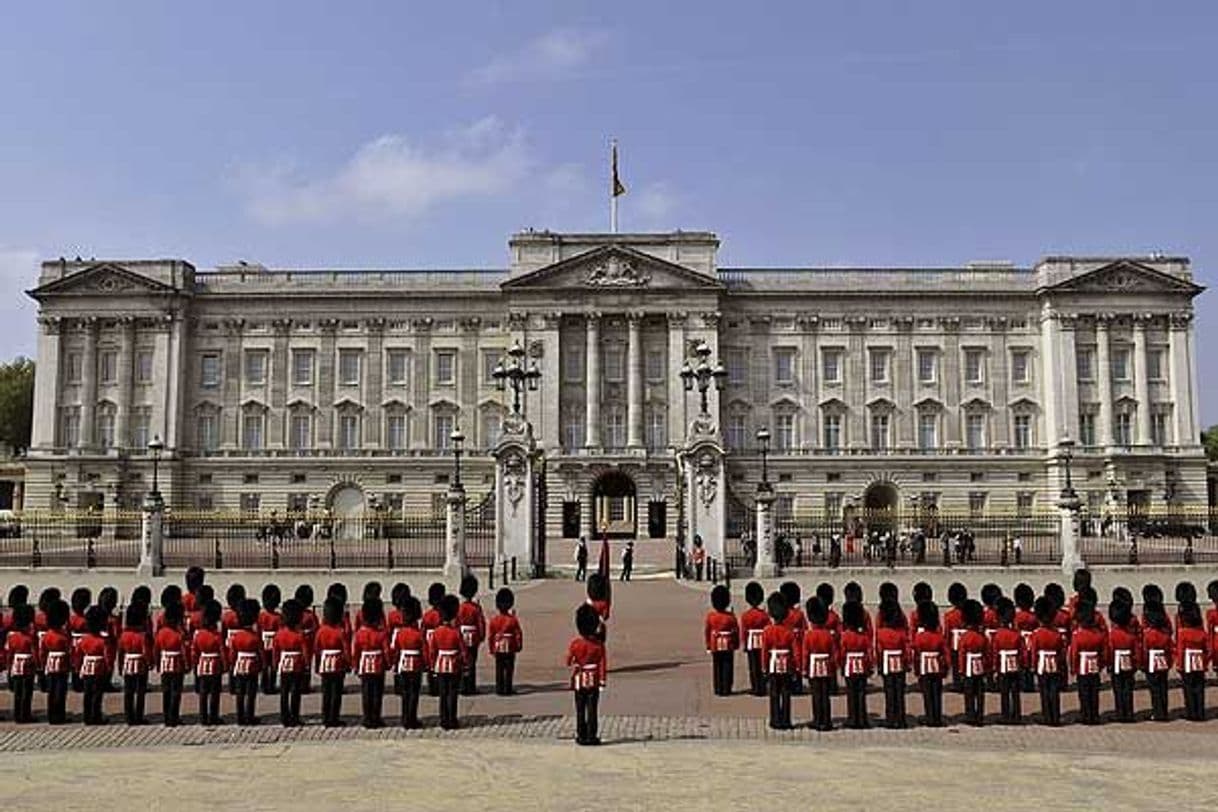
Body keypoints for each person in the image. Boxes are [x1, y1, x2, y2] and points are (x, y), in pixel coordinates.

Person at [568, 603, 608, 745]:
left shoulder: (576, 644)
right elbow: (602, 664)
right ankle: (592, 735)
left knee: (580, 709)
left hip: (580, 679)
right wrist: (602, 680)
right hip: (593, 679)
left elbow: (568, 661)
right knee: (592, 709)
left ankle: (581, 735)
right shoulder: (598, 646)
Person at [429, 594, 467, 731]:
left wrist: (432, 666)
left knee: (443, 694)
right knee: (452, 694)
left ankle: (443, 719)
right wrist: (465, 663)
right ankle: (452, 719)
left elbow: (433, 651)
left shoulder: (437, 632)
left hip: (440, 664)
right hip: (454, 664)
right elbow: (462, 650)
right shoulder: (456, 633)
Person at [760, 592, 796, 731]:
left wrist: (764, 667)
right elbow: (794, 652)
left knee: (774, 692)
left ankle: (775, 720)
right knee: (786, 692)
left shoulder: (768, 631)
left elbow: (765, 651)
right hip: (786, 663)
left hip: (773, 663)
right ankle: (786, 720)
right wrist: (794, 667)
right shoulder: (789, 632)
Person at [352, 597, 389, 729]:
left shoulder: (360, 634)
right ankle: (376, 717)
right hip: (378, 664)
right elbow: (385, 650)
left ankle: (367, 717)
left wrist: (355, 666)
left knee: (366, 692)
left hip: (364, 664)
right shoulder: (381, 634)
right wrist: (388, 663)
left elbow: (356, 651)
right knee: (377, 693)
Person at [911, 600, 949, 727]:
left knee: (927, 693)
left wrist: (916, 669)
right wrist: (945, 668)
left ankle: (929, 716)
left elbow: (916, 655)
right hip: (937, 666)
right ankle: (937, 717)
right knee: (937, 692)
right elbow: (945, 653)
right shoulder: (939, 636)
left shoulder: (919, 637)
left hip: (924, 666)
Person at [272, 598, 309, 727]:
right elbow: (304, 652)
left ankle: (284, 716)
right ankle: (294, 716)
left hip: (284, 664)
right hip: (297, 664)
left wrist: (275, 664)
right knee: (295, 692)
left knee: (284, 691)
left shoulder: (279, 634)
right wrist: (306, 664)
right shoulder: (300, 635)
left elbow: (275, 652)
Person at [391, 596, 427, 728]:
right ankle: (411, 719)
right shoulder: (418, 634)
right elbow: (424, 651)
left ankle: (405, 717)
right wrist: (426, 664)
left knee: (405, 693)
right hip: (416, 664)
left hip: (403, 664)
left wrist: (395, 665)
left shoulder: (401, 633)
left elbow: (396, 650)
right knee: (414, 693)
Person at [316, 597, 350, 728]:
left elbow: (317, 649)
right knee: (336, 693)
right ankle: (334, 717)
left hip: (325, 663)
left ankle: (325, 717)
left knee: (326, 692)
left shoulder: (321, 631)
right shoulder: (340, 632)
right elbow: (346, 650)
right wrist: (348, 663)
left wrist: (318, 665)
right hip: (338, 664)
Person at [228, 598, 264, 726]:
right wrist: (262, 665)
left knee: (240, 692)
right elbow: (260, 653)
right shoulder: (255, 636)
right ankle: (249, 716)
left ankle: (240, 716)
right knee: (251, 693)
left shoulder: (237, 636)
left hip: (239, 665)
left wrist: (232, 665)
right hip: (252, 666)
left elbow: (233, 653)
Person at [803, 597, 837, 731]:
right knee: (825, 694)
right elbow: (833, 653)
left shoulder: (809, 635)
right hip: (826, 665)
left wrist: (805, 670)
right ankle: (826, 720)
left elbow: (806, 654)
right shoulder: (828, 635)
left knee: (816, 694)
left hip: (813, 666)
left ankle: (818, 720)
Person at [154, 601, 189, 727]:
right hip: (177, 664)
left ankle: (166, 716)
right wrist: (187, 665)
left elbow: (156, 650)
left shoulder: (161, 633)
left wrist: (157, 664)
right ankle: (174, 716)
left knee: (166, 691)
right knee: (176, 692)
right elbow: (184, 652)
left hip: (164, 663)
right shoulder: (179, 634)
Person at [874, 599, 909, 729]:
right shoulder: (901, 633)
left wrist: (878, 664)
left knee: (889, 691)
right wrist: (906, 664)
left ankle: (890, 718)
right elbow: (906, 649)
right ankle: (901, 718)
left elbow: (879, 650)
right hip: (899, 663)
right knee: (899, 691)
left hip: (887, 663)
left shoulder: (881, 633)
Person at [76, 605, 113, 725]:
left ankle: (87, 716)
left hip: (87, 667)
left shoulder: (84, 639)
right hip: (99, 668)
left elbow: (79, 654)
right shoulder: (103, 641)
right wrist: (109, 667)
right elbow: (107, 656)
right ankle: (96, 716)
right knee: (97, 694)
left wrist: (78, 667)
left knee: (88, 693)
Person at [839, 600, 872, 729]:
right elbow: (868, 652)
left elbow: (842, 653)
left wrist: (841, 666)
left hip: (850, 665)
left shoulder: (845, 636)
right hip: (862, 665)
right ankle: (862, 718)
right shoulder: (863, 636)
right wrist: (869, 666)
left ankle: (853, 718)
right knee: (861, 692)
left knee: (851, 693)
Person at [990, 597, 1024, 725]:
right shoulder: (1016, 635)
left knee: (1004, 692)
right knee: (1015, 692)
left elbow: (995, 653)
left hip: (1003, 666)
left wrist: (994, 668)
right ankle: (1016, 714)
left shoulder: (998, 635)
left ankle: (1006, 715)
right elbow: (1022, 653)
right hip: (1015, 665)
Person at [118, 602, 152, 725]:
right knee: (140, 691)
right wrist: (150, 662)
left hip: (128, 663)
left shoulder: (124, 635)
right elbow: (146, 651)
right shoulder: (142, 636)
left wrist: (120, 666)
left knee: (129, 691)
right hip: (140, 664)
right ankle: (139, 715)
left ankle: (129, 716)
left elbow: (121, 652)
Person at [192, 600, 225, 726]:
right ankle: (213, 716)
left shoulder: (199, 635)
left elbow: (194, 651)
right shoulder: (217, 636)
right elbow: (222, 652)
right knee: (214, 693)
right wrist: (225, 665)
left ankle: (203, 716)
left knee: (203, 693)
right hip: (215, 665)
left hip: (202, 664)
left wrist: (195, 664)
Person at [1107, 599, 1140, 723]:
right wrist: (1136, 664)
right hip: (1128, 663)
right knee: (1127, 689)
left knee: (1118, 689)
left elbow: (1108, 651)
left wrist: (1108, 663)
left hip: (1116, 663)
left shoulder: (1112, 635)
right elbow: (1136, 652)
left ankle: (1120, 713)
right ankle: (1129, 713)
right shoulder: (1131, 636)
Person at [40, 599, 72, 725]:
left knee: (51, 691)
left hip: (50, 664)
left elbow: (43, 652)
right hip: (62, 664)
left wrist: (43, 665)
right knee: (60, 691)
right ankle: (59, 715)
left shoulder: (47, 635)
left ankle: (51, 714)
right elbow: (68, 651)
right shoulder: (63, 636)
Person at [957, 599, 989, 726]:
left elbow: (962, 655)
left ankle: (970, 715)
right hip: (980, 667)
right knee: (980, 693)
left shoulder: (965, 637)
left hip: (968, 668)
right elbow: (987, 654)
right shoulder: (982, 637)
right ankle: (979, 715)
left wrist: (961, 669)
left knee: (969, 693)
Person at [1176, 600, 1209, 722]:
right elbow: (1208, 650)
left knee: (1188, 688)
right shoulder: (1202, 633)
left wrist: (1179, 665)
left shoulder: (1183, 633)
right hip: (1199, 662)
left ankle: (1191, 712)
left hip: (1187, 663)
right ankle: (1200, 712)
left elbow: (1180, 650)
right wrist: (1205, 662)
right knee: (1199, 688)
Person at [487, 587, 523, 696]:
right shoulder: (512, 620)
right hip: (510, 645)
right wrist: (519, 645)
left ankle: (499, 688)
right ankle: (508, 688)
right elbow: (518, 633)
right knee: (509, 668)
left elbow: (491, 635)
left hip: (498, 646)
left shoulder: (494, 620)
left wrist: (491, 647)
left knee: (499, 668)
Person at [705, 584, 738, 697]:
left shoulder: (711, 616)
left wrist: (708, 644)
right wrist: (736, 643)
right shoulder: (730, 617)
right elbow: (735, 631)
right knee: (728, 665)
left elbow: (707, 631)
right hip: (728, 643)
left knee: (717, 665)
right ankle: (726, 687)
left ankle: (718, 687)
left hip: (715, 642)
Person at [5, 603, 37, 723]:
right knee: (26, 692)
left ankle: (17, 714)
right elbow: (34, 654)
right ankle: (25, 714)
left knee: (18, 692)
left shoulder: (12, 637)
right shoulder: (29, 638)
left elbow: (9, 653)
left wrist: (9, 667)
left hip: (16, 666)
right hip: (27, 666)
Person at [456, 575, 486, 696]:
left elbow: (456, 622)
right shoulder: (476, 608)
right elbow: (480, 623)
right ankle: (470, 686)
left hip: (462, 635)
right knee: (472, 662)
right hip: (473, 636)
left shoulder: (460, 607)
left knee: (462, 661)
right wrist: (481, 635)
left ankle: (462, 685)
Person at [739, 582, 770, 697]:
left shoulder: (746, 615)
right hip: (762, 640)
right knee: (762, 664)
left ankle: (755, 687)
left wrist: (744, 643)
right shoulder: (764, 615)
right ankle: (762, 686)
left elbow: (744, 631)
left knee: (753, 665)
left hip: (751, 641)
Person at [780, 581, 808, 695]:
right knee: (798, 663)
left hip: (786, 641)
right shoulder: (799, 614)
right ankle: (798, 686)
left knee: (787, 663)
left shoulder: (783, 614)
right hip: (798, 641)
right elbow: (804, 628)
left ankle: (787, 685)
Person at [816, 582, 842, 696]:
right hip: (831, 643)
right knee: (831, 665)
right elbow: (839, 631)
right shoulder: (834, 616)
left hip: (821, 643)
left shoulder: (821, 616)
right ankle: (832, 687)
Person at [421, 582, 446, 697]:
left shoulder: (427, 615)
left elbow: (423, 629)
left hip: (429, 638)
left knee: (430, 664)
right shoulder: (441, 614)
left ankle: (432, 687)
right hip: (440, 638)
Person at [259, 584, 283, 696]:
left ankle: (264, 685)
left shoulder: (261, 616)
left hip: (263, 641)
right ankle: (271, 686)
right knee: (273, 664)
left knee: (264, 664)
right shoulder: (278, 617)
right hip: (274, 642)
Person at [295, 584, 317, 695]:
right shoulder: (310, 615)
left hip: (296, 640)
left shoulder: (295, 613)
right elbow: (315, 628)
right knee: (307, 663)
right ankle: (305, 686)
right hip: (308, 641)